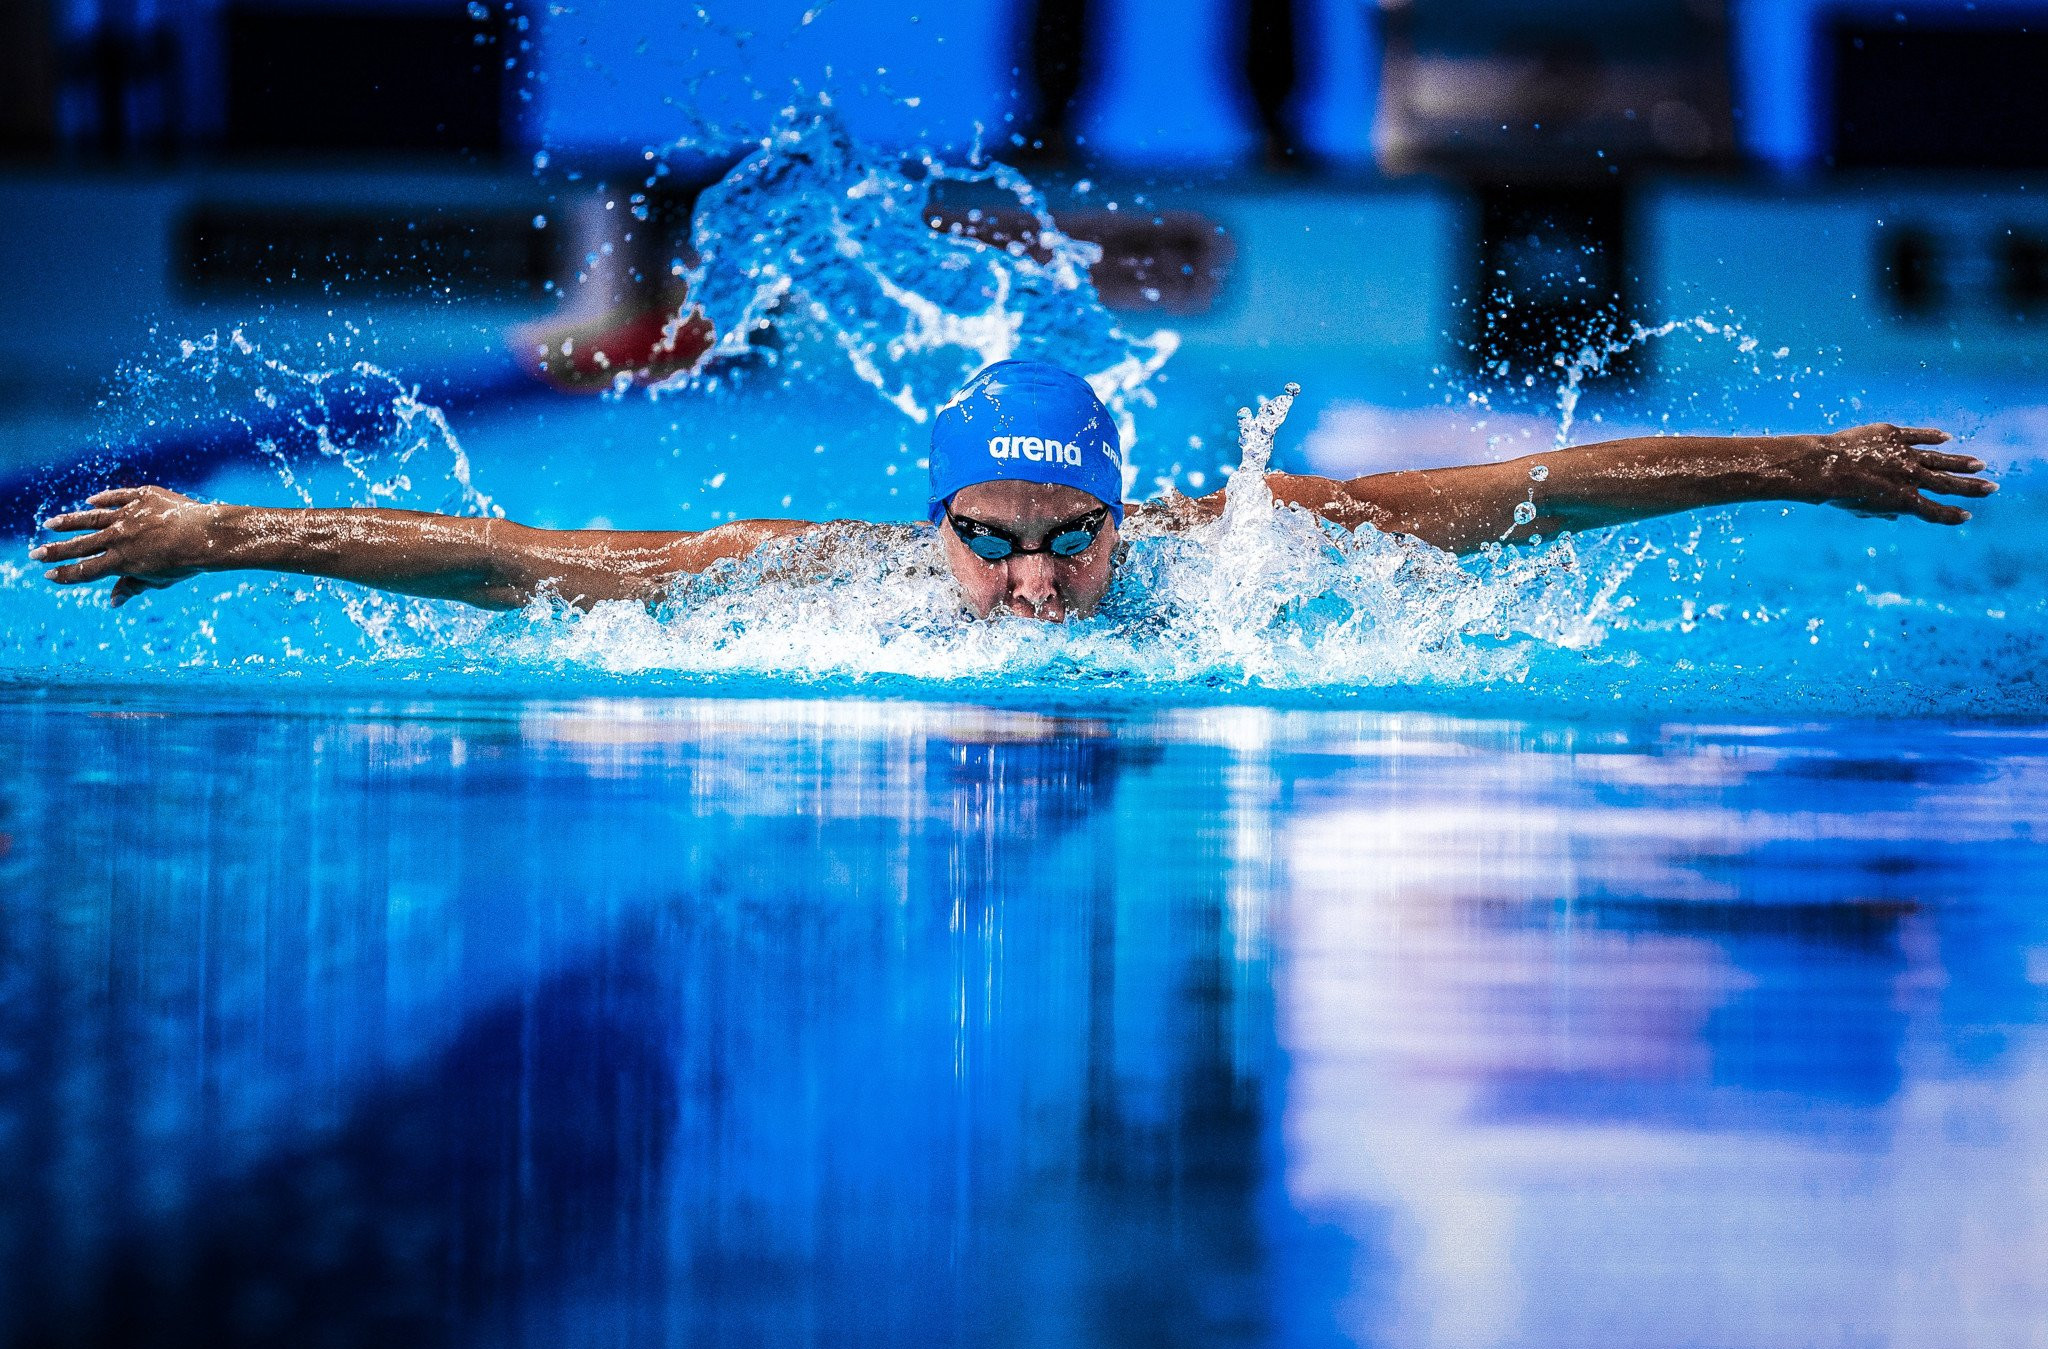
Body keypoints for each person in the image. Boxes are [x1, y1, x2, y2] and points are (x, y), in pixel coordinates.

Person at [29, 360, 1994, 623]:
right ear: (933, 520)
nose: (1041, 586)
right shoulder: (818, 576)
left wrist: (1799, 463)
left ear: (1119, 517)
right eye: (996, 541)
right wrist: (221, 529)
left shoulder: (1221, 555)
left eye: (1070, 539)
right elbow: (519, 550)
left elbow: (1535, 488)